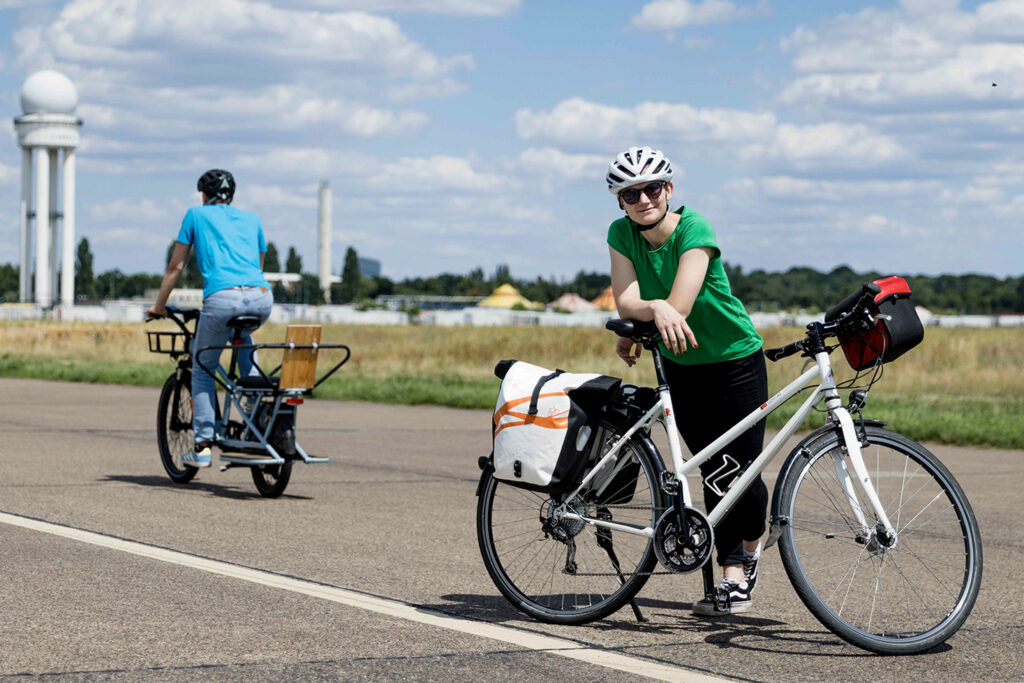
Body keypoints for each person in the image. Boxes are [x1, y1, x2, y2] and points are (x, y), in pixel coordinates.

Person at [605, 146, 767, 616]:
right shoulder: (620, 234)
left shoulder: (695, 227)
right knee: (714, 468)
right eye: (630, 193)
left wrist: (655, 308)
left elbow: (680, 301)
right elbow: (627, 301)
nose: (643, 199)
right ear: (620, 201)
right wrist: (649, 312)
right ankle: (735, 565)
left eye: (652, 188)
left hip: (736, 358)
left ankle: (742, 560)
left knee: (740, 470)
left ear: (668, 190)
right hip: (680, 365)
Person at [147, 169, 273, 468]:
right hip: (261, 297)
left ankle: (202, 445)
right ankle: (255, 408)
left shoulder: (195, 215)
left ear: (205, 195)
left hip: (221, 298)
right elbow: (257, 265)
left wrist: (158, 306)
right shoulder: (253, 220)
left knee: (202, 367)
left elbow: (176, 266)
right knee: (242, 339)